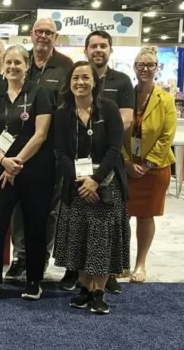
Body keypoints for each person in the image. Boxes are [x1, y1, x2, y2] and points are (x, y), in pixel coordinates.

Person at [0, 45, 55, 301]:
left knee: (34, 225)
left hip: (34, 171)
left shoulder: (39, 92)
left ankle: (33, 281)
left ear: (27, 65)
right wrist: (3, 160)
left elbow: (41, 134)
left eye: (17, 63)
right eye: (8, 62)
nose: (12, 67)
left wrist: (16, 162)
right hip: (2, 170)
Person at [53, 60, 129, 315]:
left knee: (102, 241)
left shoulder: (109, 109)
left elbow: (114, 148)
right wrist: (79, 179)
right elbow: (60, 151)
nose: (80, 82)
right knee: (80, 239)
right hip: (75, 186)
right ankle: (84, 288)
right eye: (75, 78)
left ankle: (100, 291)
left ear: (95, 82)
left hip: (106, 184)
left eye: (86, 77)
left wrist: (95, 179)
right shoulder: (63, 113)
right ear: (69, 82)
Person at [6, 17, 73, 284]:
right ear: (31, 34)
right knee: (17, 206)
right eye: (39, 32)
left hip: (50, 150)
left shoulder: (65, 66)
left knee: (48, 208)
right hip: (18, 148)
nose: (43, 36)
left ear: (55, 37)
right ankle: (19, 257)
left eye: (49, 32)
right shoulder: (22, 61)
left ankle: (39, 257)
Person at [80, 29, 135, 295]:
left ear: (110, 50)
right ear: (86, 50)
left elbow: (126, 121)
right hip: (79, 166)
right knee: (79, 222)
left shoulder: (122, 81)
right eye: (93, 46)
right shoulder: (76, 76)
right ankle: (79, 277)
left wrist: (100, 129)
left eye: (103, 46)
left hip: (110, 165)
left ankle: (109, 274)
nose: (98, 50)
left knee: (109, 223)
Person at [123, 47, 176, 283]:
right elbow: (116, 130)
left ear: (157, 68)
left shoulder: (166, 99)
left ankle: (140, 264)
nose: (145, 69)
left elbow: (167, 135)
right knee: (120, 216)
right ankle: (120, 263)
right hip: (125, 167)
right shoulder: (125, 96)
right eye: (140, 65)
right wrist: (125, 161)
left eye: (150, 65)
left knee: (145, 216)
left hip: (154, 169)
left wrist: (146, 164)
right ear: (134, 68)